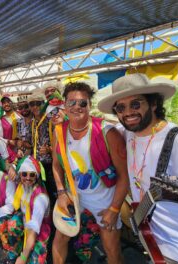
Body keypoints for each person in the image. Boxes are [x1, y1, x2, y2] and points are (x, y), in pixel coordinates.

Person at [98, 73, 178, 263]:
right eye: (121, 107)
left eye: (136, 104)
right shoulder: (128, 134)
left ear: (153, 103)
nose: (128, 112)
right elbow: (95, 128)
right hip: (152, 242)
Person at [52, 82, 129, 264]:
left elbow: (124, 176)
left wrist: (114, 208)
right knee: (60, 238)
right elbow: (56, 166)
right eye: (71, 102)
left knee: (112, 249)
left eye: (82, 103)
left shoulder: (107, 132)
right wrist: (62, 193)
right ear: (64, 105)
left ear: (90, 105)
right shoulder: (59, 132)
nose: (77, 107)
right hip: (73, 196)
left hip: (104, 200)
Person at [13, 155, 51, 264]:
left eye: (32, 174)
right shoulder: (21, 186)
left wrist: (23, 258)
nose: (28, 178)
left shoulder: (40, 198)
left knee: (36, 261)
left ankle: (25, 253)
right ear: (20, 174)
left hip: (40, 230)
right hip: (25, 220)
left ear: (36, 176)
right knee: (12, 224)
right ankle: (15, 251)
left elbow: (34, 230)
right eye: (24, 174)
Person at [27, 93, 56, 207]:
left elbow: (62, 142)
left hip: (51, 164)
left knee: (53, 193)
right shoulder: (32, 122)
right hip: (37, 165)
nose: (35, 107)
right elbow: (30, 143)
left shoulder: (51, 119)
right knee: (41, 194)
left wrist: (50, 149)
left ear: (43, 104)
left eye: (38, 103)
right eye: (32, 104)